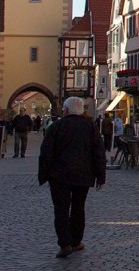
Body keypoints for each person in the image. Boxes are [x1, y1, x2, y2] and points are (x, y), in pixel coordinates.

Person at [38, 97, 106, 259]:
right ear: (82, 110)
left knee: (61, 209)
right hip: (83, 175)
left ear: (66, 110)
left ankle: (65, 243)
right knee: (78, 207)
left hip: (59, 176)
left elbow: (46, 153)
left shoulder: (56, 127)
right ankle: (76, 241)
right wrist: (100, 176)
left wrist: (44, 175)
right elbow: (99, 152)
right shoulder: (90, 127)